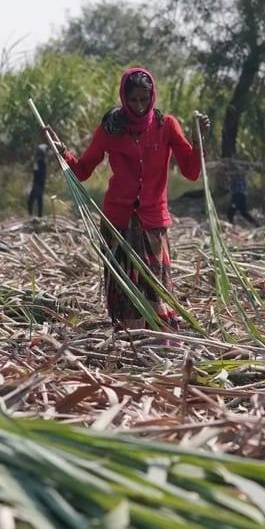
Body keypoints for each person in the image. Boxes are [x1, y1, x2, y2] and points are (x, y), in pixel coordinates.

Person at [44, 67, 209, 331]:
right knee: (126, 286)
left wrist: (199, 143)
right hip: (118, 222)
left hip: (153, 222)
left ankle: (160, 337)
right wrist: (61, 150)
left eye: (144, 99)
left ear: (152, 96)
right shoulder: (111, 128)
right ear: (124, 98)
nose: (139, 106)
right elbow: (83, 171)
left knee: (156, 284)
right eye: (133, 100)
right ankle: (129, 338)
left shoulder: (166, 125)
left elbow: (191, 171)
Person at [224, 160, 260, 227]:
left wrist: (231, 165)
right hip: (241, 195)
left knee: (231, 210)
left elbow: (235, 172)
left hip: (238, 195)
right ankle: (256, 223)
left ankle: (231, 225)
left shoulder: (238, 174)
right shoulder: (237, 175)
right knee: (243, 212)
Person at [27, 144, 47, 217]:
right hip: (40, 184)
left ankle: (31, 215)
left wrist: (36, 185)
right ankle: (39, 216)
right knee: (39, 201)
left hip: (37, 184)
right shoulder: (42, 162)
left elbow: (37, 173)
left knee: (31, 201)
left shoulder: (39, 161)